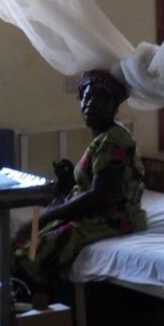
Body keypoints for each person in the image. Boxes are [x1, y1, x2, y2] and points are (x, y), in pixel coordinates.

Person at [14, 69, 147, 293]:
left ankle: (38, 314)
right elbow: (91, 187)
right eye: (86, 97)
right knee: (25, 240)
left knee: (29, 252)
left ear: (115, 106)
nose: (90, 103)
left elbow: (99, 196)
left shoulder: (113, 141)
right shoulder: (103, 138)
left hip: (112, 219)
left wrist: (45, 218)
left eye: (100, 98)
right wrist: (66, 184)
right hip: (94, 215)